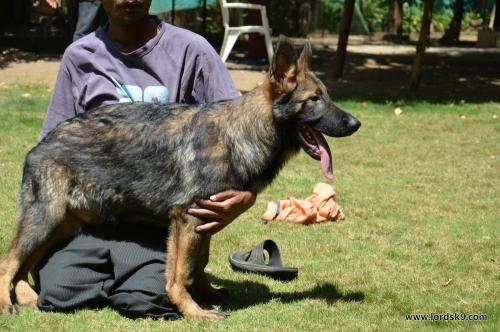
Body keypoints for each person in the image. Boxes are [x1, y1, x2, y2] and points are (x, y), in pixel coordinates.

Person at [35, 0, 256, 319]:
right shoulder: (80, 55)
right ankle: (116, 269)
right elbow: (51, 147)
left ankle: (140, 272)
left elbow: (239, 132)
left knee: (148, 299)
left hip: (159, 221)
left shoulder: (192, 50)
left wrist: (246, 196)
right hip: (93, 216)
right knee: (60, 293)